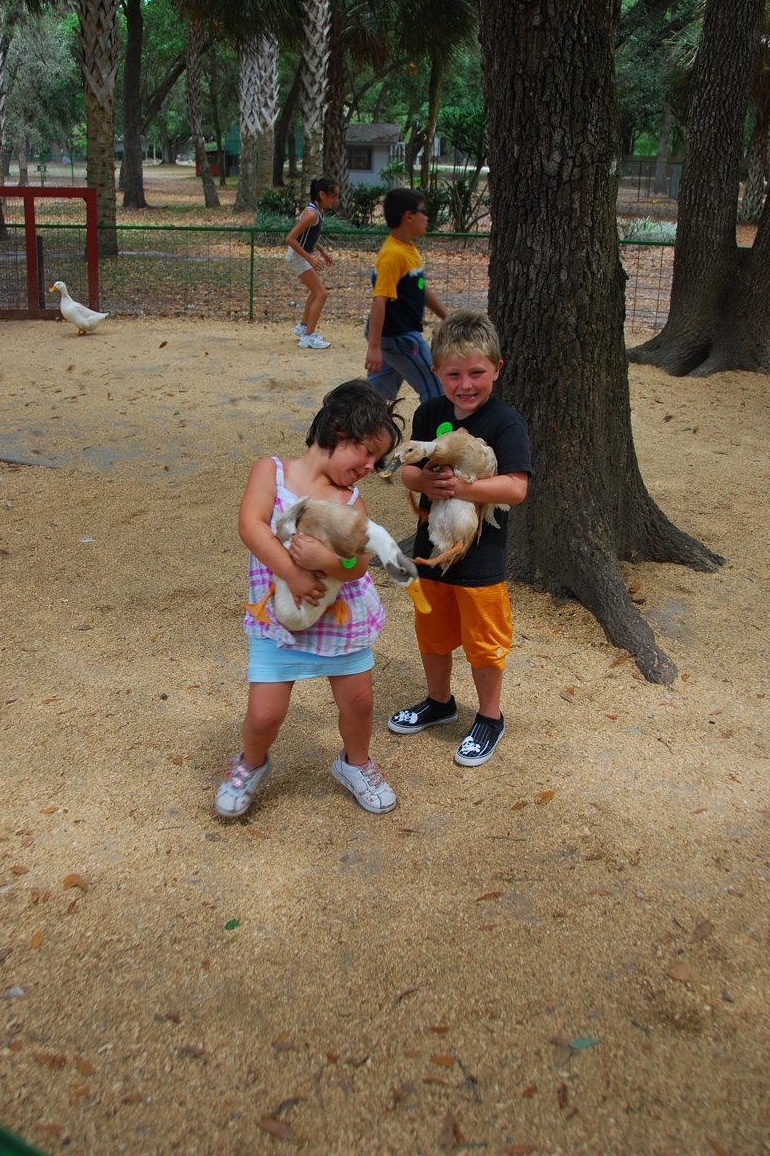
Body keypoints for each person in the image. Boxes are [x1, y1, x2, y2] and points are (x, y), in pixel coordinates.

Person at [215, 380, 405, 818]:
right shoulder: (272, 471)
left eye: (377, 460)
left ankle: (355, 764)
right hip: (280, 623)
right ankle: (250, 763)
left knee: (359, 704)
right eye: (367, 452)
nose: (372, 467)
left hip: (341, 625)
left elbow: (357, 566)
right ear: (338, 430)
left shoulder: (351, 501)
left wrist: (329, 561)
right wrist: (294, 574)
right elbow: (251, 525)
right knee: (265, 716)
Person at [387, 309, 532, 767]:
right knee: (432, 633)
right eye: (453, 374)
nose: (465, 384)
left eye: (476, 373)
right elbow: (410, 469)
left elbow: (516, 487)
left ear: (497, 370)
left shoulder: (505, 423)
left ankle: (489, 716)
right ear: (436, 373)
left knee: (483, 641)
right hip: (432, 551)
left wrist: (464, 489)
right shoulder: (429, 414)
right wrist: (424, 483)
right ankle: (439, 702)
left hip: (481, 559)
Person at [364, 187, 447, 402]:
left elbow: (420, 288)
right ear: (409, 216)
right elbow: (379, 301)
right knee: (436, 388)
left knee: (375, 398)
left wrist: (448, 318)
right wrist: (373, 347)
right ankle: (439, 434)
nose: (427, 216)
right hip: (399, 338)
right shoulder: (393, 255)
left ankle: (362, 430)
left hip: (392, 338)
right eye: (423, 211)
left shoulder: (407, 248)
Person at [286, 177, 340, 350]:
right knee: (321, 293)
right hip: (297, 256)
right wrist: (309, 257)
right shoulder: (311, 214)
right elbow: (290, 238)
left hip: (301, 255)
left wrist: (322, 251)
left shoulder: (317, 211)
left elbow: (308, 237)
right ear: (322, 194)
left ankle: (303, 327)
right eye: (333, 196)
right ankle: (308, 336)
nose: (336, 200)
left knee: (316, 291)